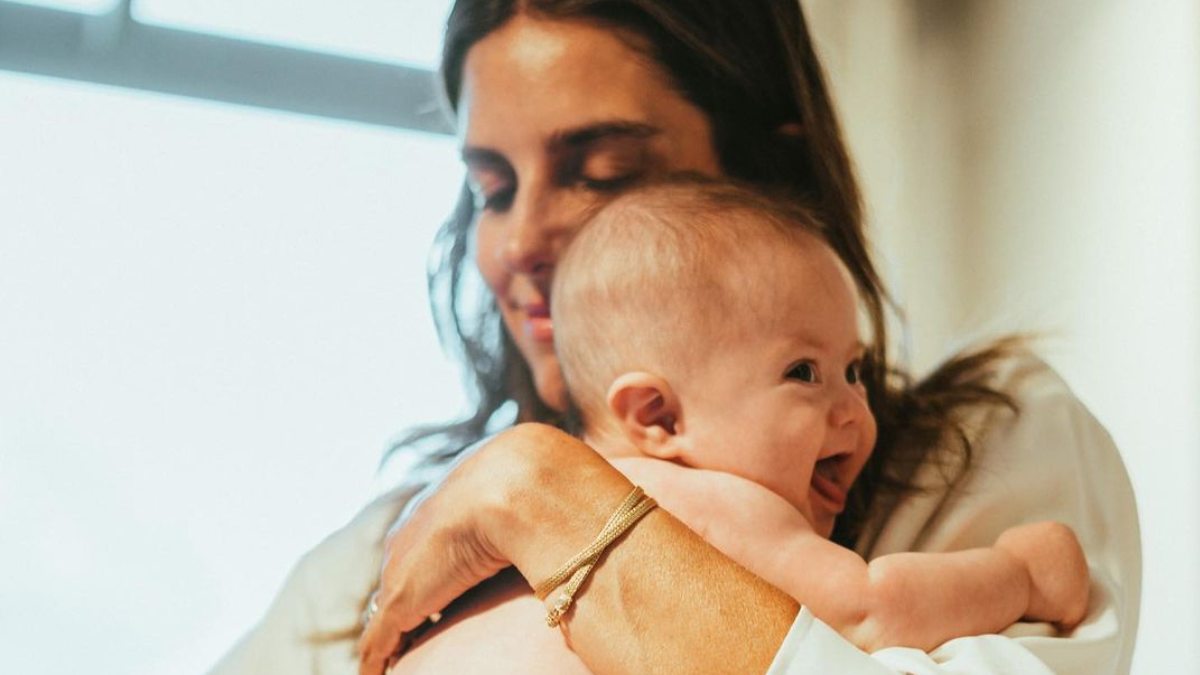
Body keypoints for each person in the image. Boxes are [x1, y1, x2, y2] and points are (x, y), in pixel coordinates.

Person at [208, 2, 1140, 674]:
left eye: (605, 174)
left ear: (766, 175)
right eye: (493, 190)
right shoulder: (382, 549)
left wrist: (544, 494)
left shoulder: (986, 444)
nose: (525, 240)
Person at [383, 177, 1092, 673]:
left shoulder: (491, 528)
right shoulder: (706, 503)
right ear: (658, 417)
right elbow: (869, 610)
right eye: (804, 374)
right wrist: (1021, 576)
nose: (853, 410)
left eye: (855, 370)